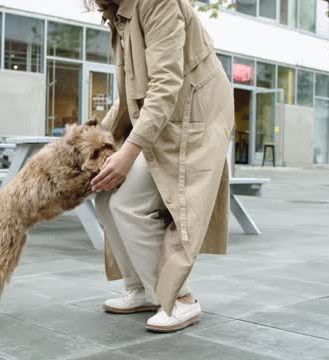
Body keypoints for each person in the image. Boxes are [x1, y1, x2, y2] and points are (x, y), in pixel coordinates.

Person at [87, 0, 234, 333]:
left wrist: (128, 154)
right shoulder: (118, 14)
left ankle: (180, 299)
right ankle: (141, 289)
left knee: (128, 201)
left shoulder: (157, 2)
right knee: (107, 198)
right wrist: (99, 138)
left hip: (194, 119)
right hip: (165, 119)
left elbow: (166, 83)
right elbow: (129, 93)